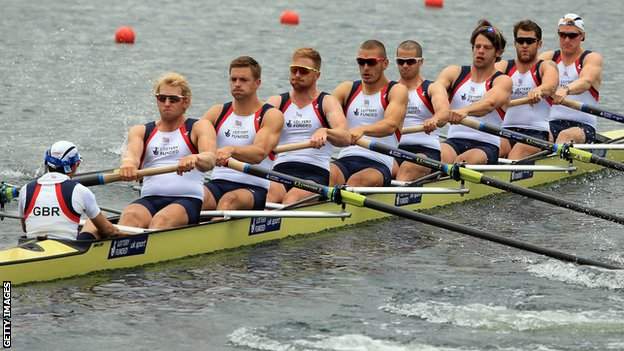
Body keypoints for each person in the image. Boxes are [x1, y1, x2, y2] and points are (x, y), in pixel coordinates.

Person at [85, 72, 217, 236]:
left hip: (187, 199)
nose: (166, 103)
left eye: (173, 99)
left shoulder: (199, 126)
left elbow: (210, 158)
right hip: (150, 199)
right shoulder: (141, 131)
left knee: (161, 221)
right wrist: (128, 166)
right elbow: (131, 157)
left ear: (186, 102)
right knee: (129, 217)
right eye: (161, 98)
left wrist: (195, 157)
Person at [267, 48, 350, 204]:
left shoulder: (326, 102)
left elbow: (345, 137)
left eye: (304, 71)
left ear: (317, 75)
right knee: (267, 199)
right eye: (294, 70)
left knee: (290, 200)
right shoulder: (276, 102)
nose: (297, 75)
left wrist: (326, 131)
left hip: (314, 173)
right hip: (280, 171)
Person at [202, 56, 284, 210]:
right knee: (197, 198)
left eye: (243, 80)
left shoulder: (270, 115)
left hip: (254, 187)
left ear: (257, 83)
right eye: (233, 79)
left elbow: (258, 153)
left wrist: (231, 150)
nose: (237, 84)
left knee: (228, 201)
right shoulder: (216, 112)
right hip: (217, 182)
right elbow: (192, 143)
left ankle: (214, 228)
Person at [331, 40, 408, 187]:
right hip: (346, 158)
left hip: (379, 162)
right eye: (361, 62)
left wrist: (362, 130)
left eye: (371, 62)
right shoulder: (346, 89)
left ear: (385, 64)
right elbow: (322, 114)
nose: (365, 68)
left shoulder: (396, 90)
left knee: (356, 181)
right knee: (328, 175)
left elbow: (390, 125)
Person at [436, 20, 512, 165]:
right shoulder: (454, 73)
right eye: (477, 46)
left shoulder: (503, 81)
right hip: (453, 141)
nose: (481, 51)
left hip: (486, 145)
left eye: (487, 48)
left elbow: (488, 104)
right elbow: (436, 90)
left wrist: (464, 111)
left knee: (462, 161)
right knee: (439, 156)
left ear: (498, 52)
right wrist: (441, 111)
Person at [18, 141, 120, 240]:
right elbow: (108, 231)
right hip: (67, 248)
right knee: (98, 219)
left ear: (47, 163)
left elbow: (25, 228)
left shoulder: (25, 189)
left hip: (32, 246)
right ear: (75, 165)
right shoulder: (80, 190)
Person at [496, 19, 559, 159]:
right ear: (515, 43)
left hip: (536, 133)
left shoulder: (546, 66)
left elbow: (550, 85)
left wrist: (540, 90)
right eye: (520, 41)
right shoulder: (503, 67)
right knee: (495, 149)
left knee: (516, 154)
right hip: (504, 131)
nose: (524, 45)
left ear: (539, 44)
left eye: (530, 41)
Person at [540, 13, 603, 144]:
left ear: (582, 36)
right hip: (550, 124)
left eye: (572, 35)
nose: (567, 40)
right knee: (535, 135)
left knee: (565, 136)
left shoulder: (591, 58)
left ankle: (555, 161)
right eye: (562, 35)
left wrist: (565, 90)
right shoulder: (547, 58)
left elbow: (585, 81)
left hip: (583, 126)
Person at [394, 40, 449, 181]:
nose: (405, 66)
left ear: (421, 62)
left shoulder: (432, 88)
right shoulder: (390, 90)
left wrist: (434, 120)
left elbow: (443, 114)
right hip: (394, 149)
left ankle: (397, 193)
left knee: (408, 167)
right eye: (400, 61)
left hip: (425, 152)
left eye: (410, 61)